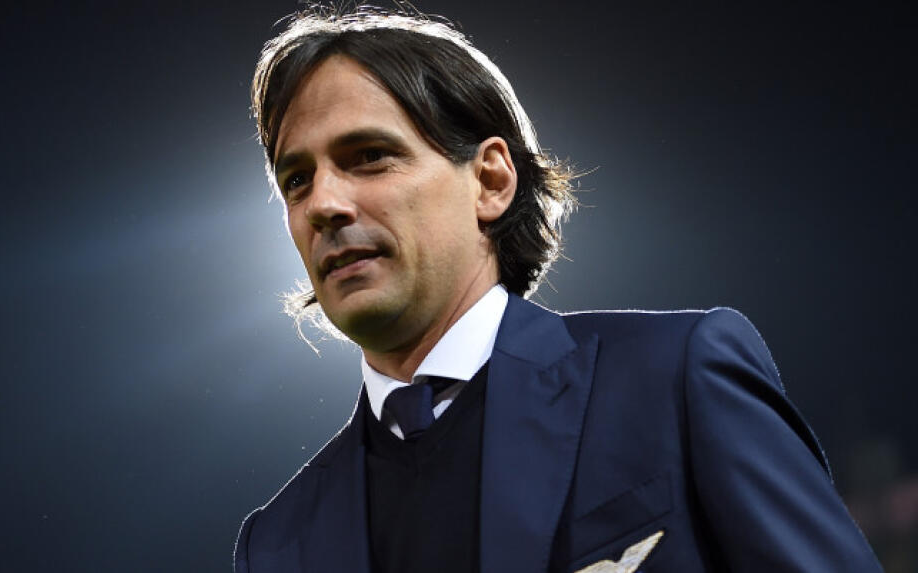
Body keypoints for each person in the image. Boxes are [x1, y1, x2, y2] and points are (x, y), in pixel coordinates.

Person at [235, 6, 882, 572]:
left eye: (369, 156)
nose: (324, 203)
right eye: (297, 180)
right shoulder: (277, 541)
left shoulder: (675, 378)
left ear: (491, 181)